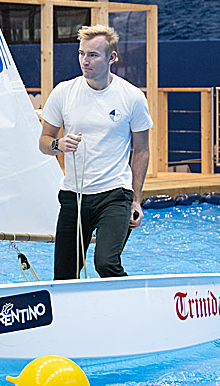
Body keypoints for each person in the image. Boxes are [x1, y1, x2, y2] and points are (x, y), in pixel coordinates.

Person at [39, 25, 152, 280]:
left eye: (93, 55)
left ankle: (130, 312)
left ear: (112, 58)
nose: (85, 61)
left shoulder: (132, 97)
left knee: (106, 264)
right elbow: (44, 141)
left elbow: (142, 151)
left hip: (114, 194)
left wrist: (136, 200)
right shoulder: (64, 92)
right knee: (64, 275)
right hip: (74, 196)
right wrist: (58, 145)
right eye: (81, 53)